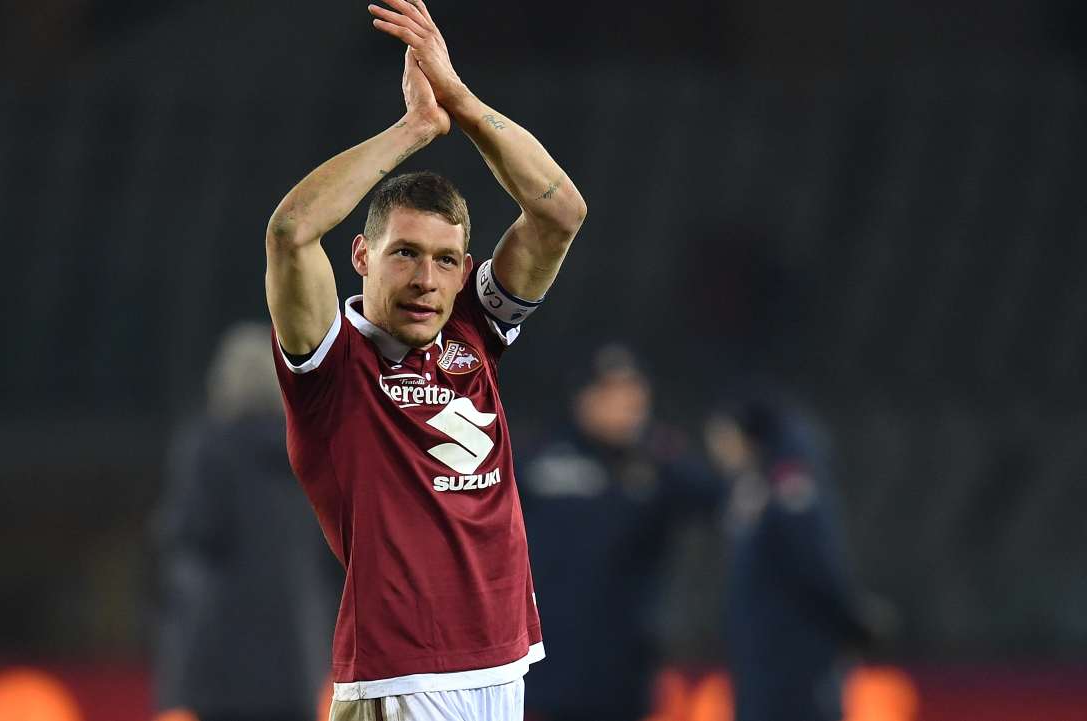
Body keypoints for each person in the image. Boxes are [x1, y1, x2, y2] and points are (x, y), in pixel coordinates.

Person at [264, 0, 587, 718]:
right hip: (401, 677)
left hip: (504, 659)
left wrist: (460, 99)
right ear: (361, 256)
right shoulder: (330, 366)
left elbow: (561, 212)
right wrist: (414, 129)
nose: (426, 280)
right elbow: (290, 231)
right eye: (404, 254)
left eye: (446, 261)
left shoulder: (476, 331)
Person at [520, 345, 723, 721]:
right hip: (549, 664)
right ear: (585, 398)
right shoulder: (540, 460)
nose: (627, 405)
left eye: (634, 393)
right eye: (613, 392)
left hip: (624, 665)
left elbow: (723, 502)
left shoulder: (660, 465)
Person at [152, 323, 338, 721]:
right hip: (298, 660)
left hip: (220, 663)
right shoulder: (311, 453)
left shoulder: (207, 450)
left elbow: (188, 546)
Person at [704, 393, 888, 721]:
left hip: (796, 667)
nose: (717, 448)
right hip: (764, 668)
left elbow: (816, 565)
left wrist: (850, 621)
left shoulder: (791, 486)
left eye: (724, 435)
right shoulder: (752, 489)